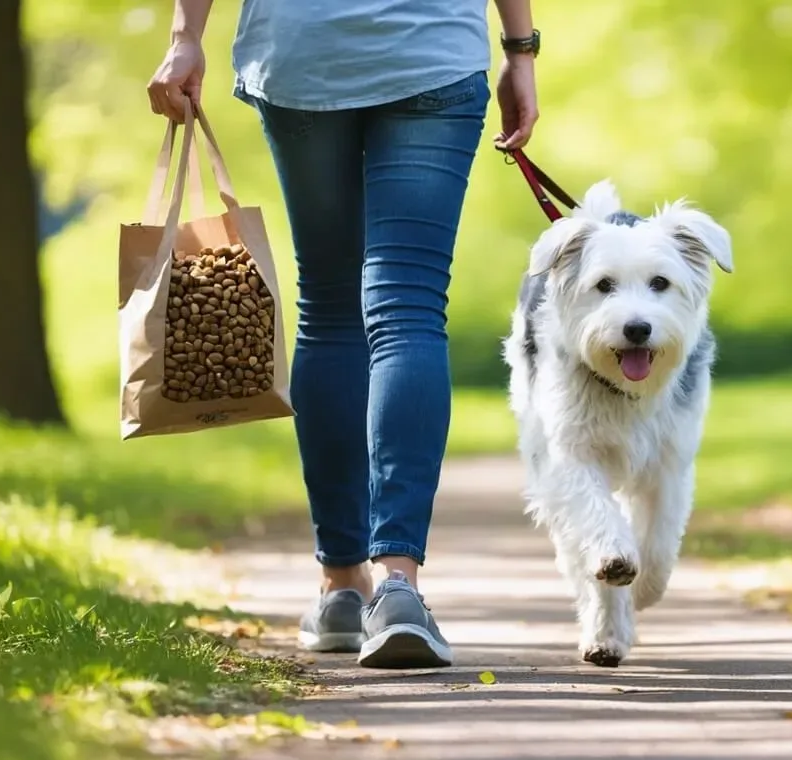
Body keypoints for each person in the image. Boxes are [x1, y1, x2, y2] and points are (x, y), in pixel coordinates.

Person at [147, 0, 540, 669]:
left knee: (329, 306)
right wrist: (519, 49)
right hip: (430, 52)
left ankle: (339, 587)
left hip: (304, 52)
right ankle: (397, 585)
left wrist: (187, 36)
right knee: (409, 306)